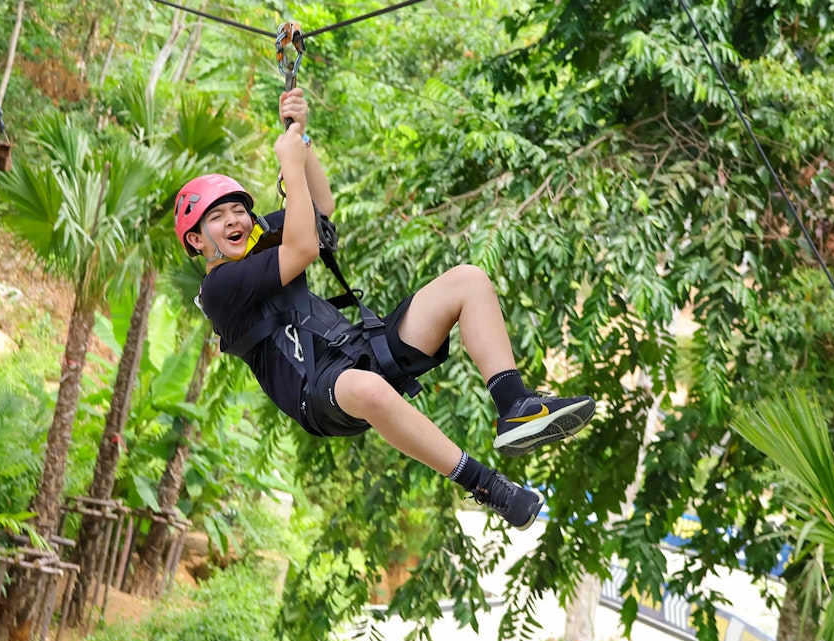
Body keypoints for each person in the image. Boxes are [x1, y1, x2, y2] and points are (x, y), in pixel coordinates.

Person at [174, 89, 596, 530]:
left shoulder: (263, 238)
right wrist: (289, 165)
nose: (236, 220)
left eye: (239, 210)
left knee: (468, 280)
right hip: (318, 391)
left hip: (358, 348)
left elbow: (320, 208)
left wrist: (301, 138)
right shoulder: (219, 287)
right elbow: (304, 247)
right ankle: (488, 485)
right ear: (198, 241)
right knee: (371, 390)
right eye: (218, 218)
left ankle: (515, 405)